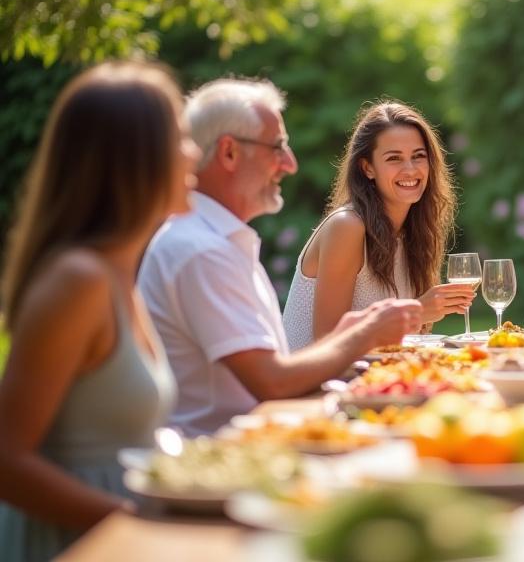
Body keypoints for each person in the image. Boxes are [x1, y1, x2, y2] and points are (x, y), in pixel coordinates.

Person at [139, 79, 421, 437]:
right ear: (229, 153)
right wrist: (364, 334)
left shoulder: (218, 241)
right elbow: (272, 383)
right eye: (277, 147)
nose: (290, 164)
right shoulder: (201, 250)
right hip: (221, 460)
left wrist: (351, 333)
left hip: (255, 441)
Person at [0, 61, 194, 559]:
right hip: (72, 544)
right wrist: (130, 523)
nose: (194, 154)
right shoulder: (78, 281)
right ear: (134, 157)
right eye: (180, 138)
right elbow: (6, 461)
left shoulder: (117, 274)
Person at [282, 101, 472, 349]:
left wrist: (420, 317)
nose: (410, 169)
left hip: (373, 378)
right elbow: (327, 341)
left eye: (418, 156)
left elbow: (403, 343)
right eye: (394, 158)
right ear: (367, 168)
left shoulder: (415, 234)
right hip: (313, 384)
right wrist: (417, 312)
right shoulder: (347, 226)